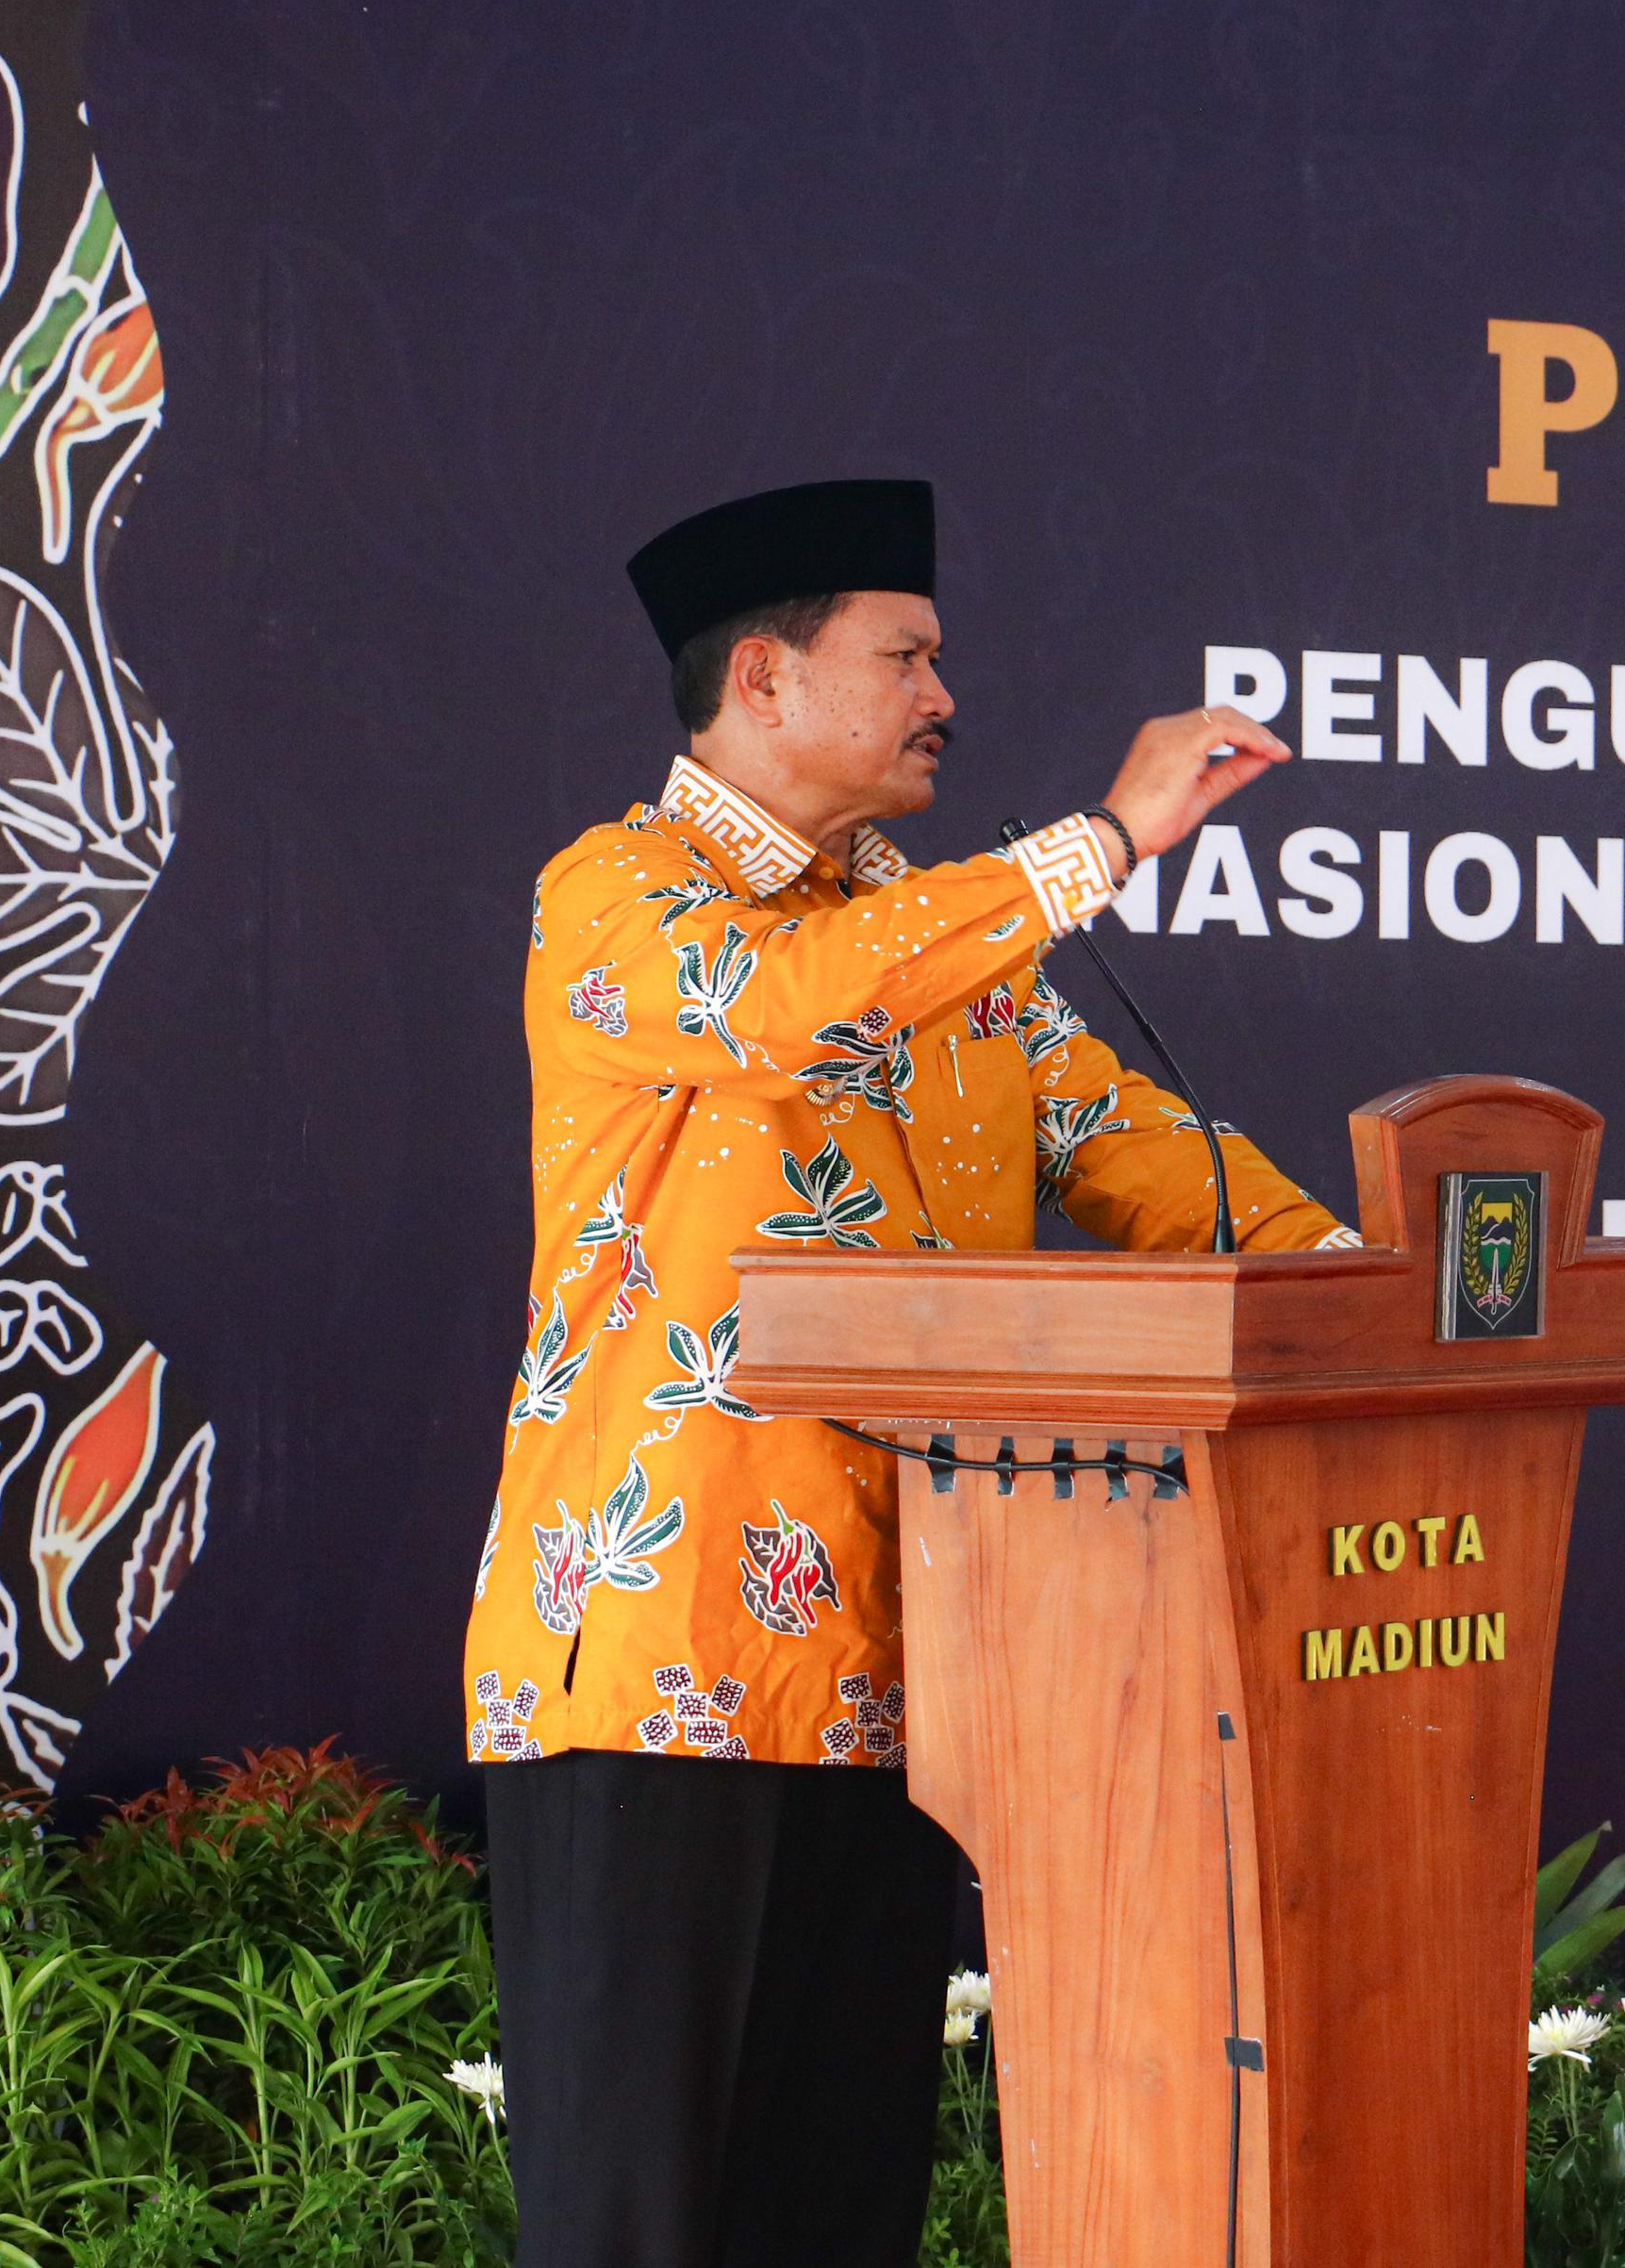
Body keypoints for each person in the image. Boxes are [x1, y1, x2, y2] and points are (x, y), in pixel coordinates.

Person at [464, 476, 1351, 2268]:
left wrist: (1372, 1284)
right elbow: (792, 1001)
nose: (946, 695)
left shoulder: (957, 955)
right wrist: (1105, 839)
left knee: (839, 2212)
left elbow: (1145, 1155)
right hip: (665, 1669)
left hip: (913, 1660)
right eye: (907, 655)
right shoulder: (618, 891)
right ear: (764, 679)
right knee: (647, 2223)